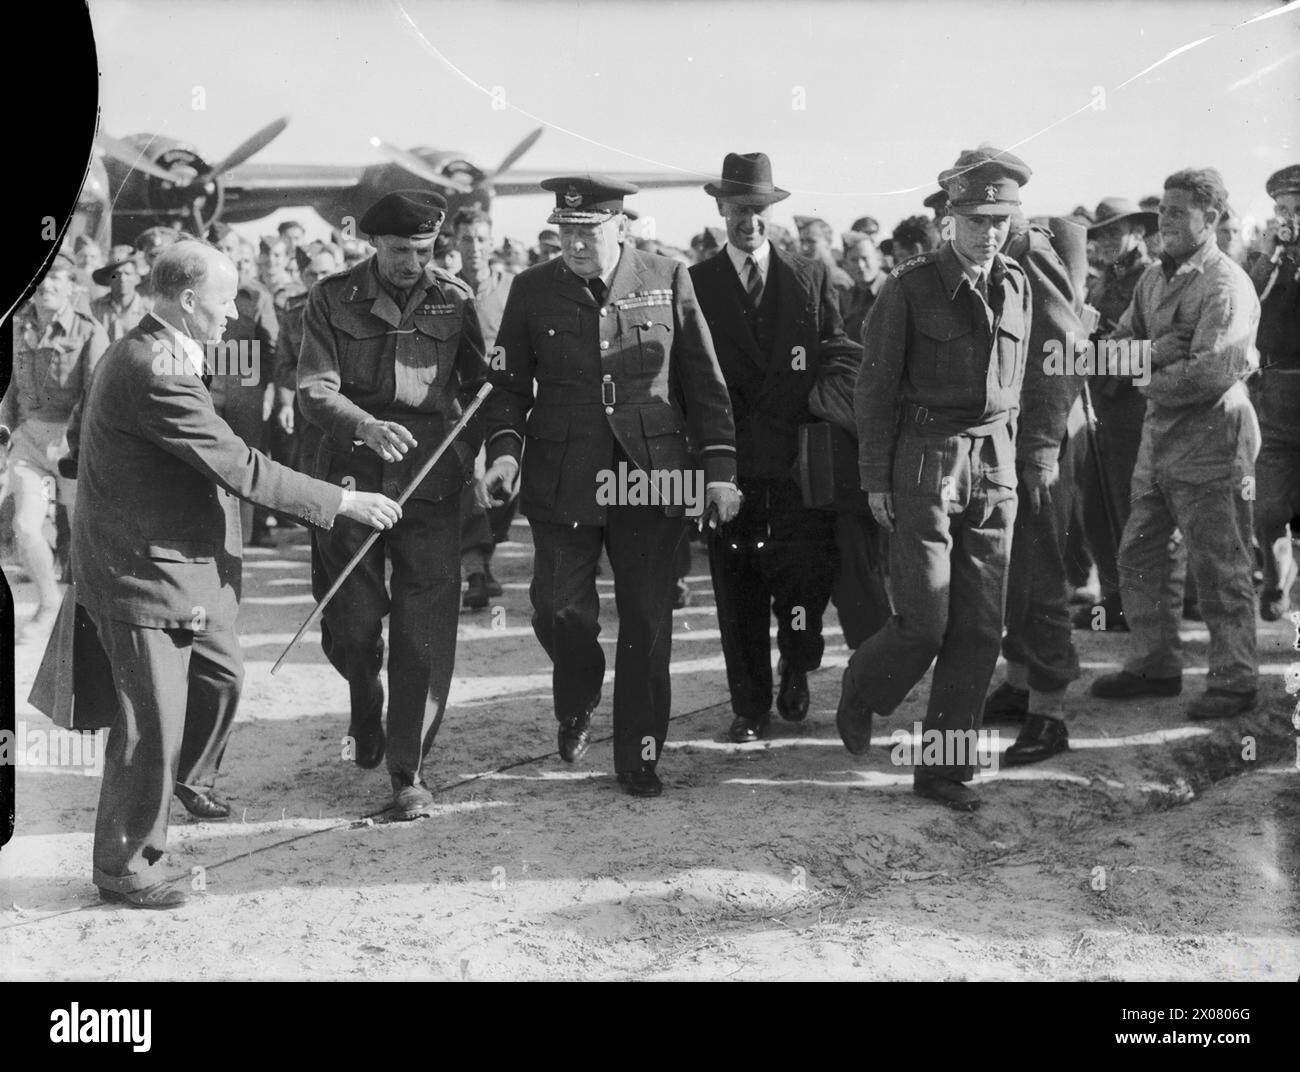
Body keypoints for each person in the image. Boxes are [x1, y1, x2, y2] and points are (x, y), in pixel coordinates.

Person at [70, 241, 400, 908]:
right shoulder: (154, 367)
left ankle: (188, 778)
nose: (233, 317)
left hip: (182, 564)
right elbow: (240, 465)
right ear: (189, 301)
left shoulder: (163, 350)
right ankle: (125, 866)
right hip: (144, 572)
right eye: (223, 304)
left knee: (221, 675)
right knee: (149, 724)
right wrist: (340, 502)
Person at [477, 175, 740, 798]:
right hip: (565, 473)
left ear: (620, 226)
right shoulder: (532, 289)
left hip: (650, 474)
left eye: (588, 231)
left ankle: (638, 756)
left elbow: (702, 381)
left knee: (647, 621)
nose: (574, 244)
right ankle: (579, 692)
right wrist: (506, 456)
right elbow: (509, 390)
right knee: (557, 608)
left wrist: (721, 470)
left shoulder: (667, 276)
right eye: (565, 231)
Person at [836, 147, 1034, 811]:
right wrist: (875, 479)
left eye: (1000, 219)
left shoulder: (1016, 284)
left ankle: (943, 769)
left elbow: (1020, 384)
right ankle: (863, 685)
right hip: (926, 459)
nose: (989, 232)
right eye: (977, 219)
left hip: (994, 464)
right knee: (925, 621)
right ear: (951, 219)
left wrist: (1025, 459)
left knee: (980, 628)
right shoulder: (911, 288)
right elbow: (874, 387)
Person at [299, 190, 487, 819]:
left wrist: (483, 445)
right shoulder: (331, 297)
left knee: (425, 630)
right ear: (374, 244)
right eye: (401, 250)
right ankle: (362, 691)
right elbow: (312, 389)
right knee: (353, 621)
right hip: (352, 481)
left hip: (432, 481)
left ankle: (409, 769)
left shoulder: (455, 300)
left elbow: (485, 384)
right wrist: (365, 426)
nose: (413, 262)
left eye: (424, 249)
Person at [689, 152, 856, 743]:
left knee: (803, 580)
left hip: (796, 464)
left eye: (758, 210)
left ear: (771, 211)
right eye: (739, 209)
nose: (749, 221)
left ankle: (798, 663)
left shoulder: (811, 276)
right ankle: (749, 705)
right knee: (736, 587)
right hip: (728, 461)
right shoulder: (697, 282)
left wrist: (823, 395)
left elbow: (837, 348)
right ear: (720, 209)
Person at [1090, 169, 1261, 721]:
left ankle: (1235, 680)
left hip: (1211, 434)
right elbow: (1115, 348)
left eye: (1176, 213)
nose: (1163, 222)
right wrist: (1166, 347)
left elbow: (1211, 372)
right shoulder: (1153, 281)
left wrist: (1145, 369)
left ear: (1210, 219)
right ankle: (1153, 663)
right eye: (1161, 211)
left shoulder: (1224, 283)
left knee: (1218, 562)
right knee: (1140, 551)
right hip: (1159, 436)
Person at [985, 213, 1087, 765]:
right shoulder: (994, 249)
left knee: (1041, 571)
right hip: (1008, 439)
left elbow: (1062, 350)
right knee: (1014, 571)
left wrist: (1043, 446)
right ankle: (1021, 683)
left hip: (1036, 443)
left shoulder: (1026, 249)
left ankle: (1049, 714)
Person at [2, 261, 109, 641]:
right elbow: (11, 387)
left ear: (72, 289)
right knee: (26, 528)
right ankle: (48, 603)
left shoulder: (90, 330)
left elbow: (98, 393)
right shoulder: (17, 326)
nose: (45, 286)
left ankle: (92, 614)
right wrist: (8, 434)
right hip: (29, 440)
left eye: (55, 280)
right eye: (41, 279)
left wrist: (82, 443)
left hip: (73, 441)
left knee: (84, 532)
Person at [1072, 197, 1159, 631]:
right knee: (1097, 506)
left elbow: (1149, 349)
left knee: (1130, 507)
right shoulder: (1107, 279)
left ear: (1137, 233)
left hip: (1130, 403)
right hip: (1100, 402)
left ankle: (1136, 603)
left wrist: (1098, 352)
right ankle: (1113, 598)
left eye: (1110, 232)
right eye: (1097, 234)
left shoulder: (1151, 276)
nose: (1100, 243)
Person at [453, 206, 514, 608]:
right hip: (459, 405)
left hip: (508, 402)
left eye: (480, 239)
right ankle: (475, 570)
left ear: (492, 243)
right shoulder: (445, 290)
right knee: (468, 481)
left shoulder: (514, 289)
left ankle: (483, 560)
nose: (474, 247)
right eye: (466, 239)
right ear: (455, 243)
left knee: (506, 485)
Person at [1247, 165, 1300, 621]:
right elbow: (1250, 309)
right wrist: (1270, 257)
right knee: (1267, 509)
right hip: (1279, 396)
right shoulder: (1268, 261)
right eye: (1283, 209)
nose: (1290, 219)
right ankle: (1276, 574)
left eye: (1297, 209)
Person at [276, 246, 342, 476]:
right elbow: (283, 367)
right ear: (302, 276)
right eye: (312, 274)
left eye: (325, 272)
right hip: (310, 414)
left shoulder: (357, 312)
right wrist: (288, 402)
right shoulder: (293, 314)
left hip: (353, 408)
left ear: (339, 270)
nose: (319, 280)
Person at [89, 245, 150, 342]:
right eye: (116, 274)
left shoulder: (149, 311)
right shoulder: (95, 308)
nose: (122, 279)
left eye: (127, 273)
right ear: (108, 279)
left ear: (137, 279)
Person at [797, 217, 854, 310]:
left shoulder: (838, 280)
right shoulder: (808, 275)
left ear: (828, 242)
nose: (804, 248)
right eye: (802, 241)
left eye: (811, 241)